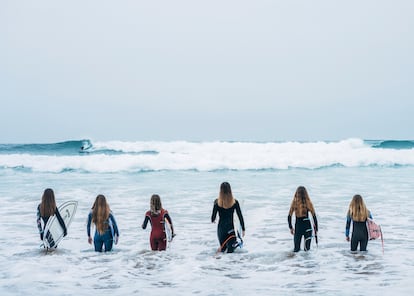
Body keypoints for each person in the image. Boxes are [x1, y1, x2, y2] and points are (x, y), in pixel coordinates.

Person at [211, 182, 245, 253]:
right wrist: (243, 229)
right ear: (230, 191)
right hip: (231, 230)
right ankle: (234, 262)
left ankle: (220, 263)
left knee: (223, 250)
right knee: (231, 251)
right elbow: (240, 216)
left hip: (221, 230)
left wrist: (214, 220)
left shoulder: (217, 202)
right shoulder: (234, 202)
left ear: (220, 191)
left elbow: (213, 218)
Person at [287, 186, 318, 252]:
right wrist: (316, 229)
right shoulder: (309, 203)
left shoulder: (294, 203)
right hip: (307, 227)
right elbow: (314, 216)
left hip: (298, 227)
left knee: (296, 250)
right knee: (307, 251)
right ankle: (307, 262)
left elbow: (289, 216)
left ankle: (296, 262)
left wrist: (291, 228)